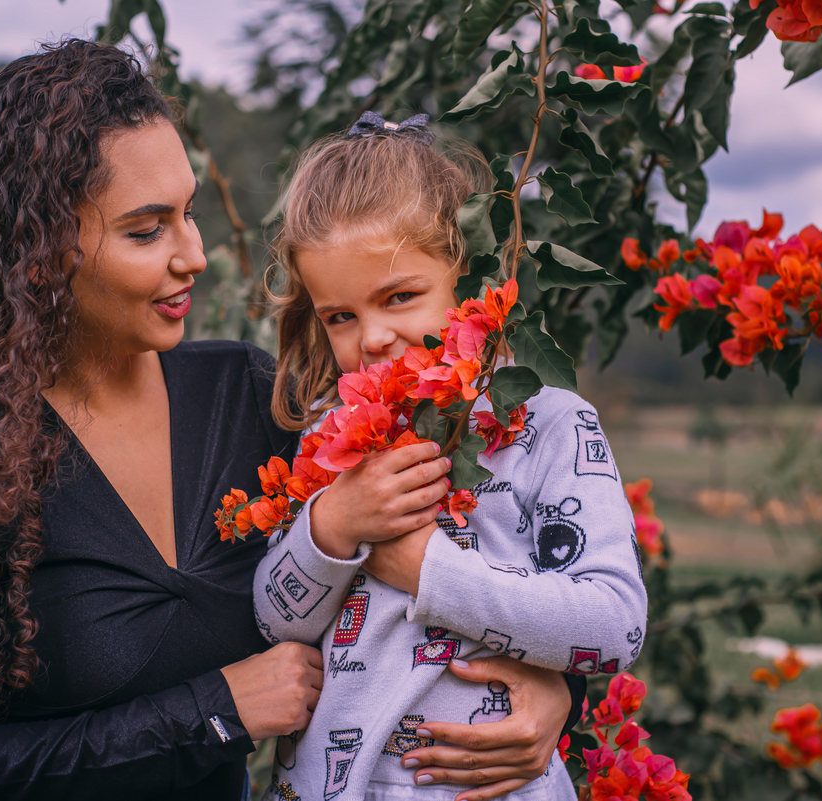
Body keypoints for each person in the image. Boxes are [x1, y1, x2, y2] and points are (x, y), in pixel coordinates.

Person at [0, 41, 579, 801]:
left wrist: (556, 689)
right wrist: (212, 710)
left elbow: (475, 538)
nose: (194, 254)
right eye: (148, 229)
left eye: (190, 213)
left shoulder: (250, 399)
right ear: (38, 251)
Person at [253, 116, 648, 801]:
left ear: (467, 278)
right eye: (339, 315)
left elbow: (615, 624)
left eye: (399, 296)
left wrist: (429, 571)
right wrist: (332, 527)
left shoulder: (549, 425)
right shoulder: (330, 435)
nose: (371, 336)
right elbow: (273, 618)